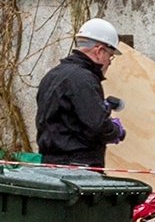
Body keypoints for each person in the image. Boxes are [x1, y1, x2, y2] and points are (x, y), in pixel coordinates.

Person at [35, 18, 128, 168]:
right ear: (99, 51)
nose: (109, 62)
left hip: (49, 164)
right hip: (79, 168)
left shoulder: (53, 75)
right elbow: (97, 126)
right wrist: (115, 130)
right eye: (110, 55)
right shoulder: (84, 79)